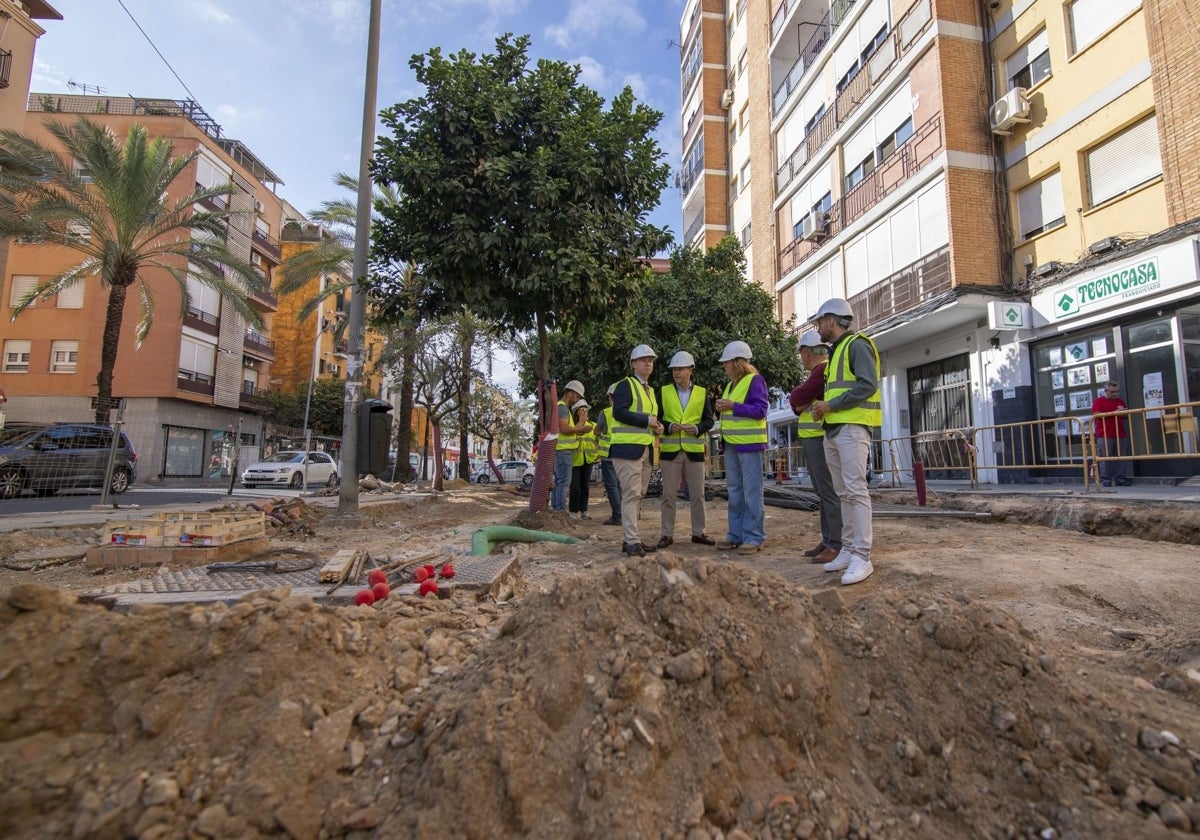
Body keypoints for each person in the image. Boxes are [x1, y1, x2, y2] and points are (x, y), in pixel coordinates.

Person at [809, 298, 882, 586]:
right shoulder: (837, 351)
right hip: (835, 428)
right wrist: (825, 408)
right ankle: (849, 549)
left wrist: (832, 405)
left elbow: (867, 384)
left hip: (852, 427)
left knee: (855, 490)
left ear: (831, 320)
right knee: (843, 492)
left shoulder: (857, 345)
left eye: (820, 322)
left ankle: (862, 556)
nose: (818, 327)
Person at [788, 330, 843, 564]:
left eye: (801, 352)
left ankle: (835, 543)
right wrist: (799, 402)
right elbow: (797, 403)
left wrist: (799, 402)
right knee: (823, 493)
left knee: (828, 492)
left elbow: (796, 398)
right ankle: (828, 538)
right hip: (815, 438)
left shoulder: (821, 370)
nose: (800, 357)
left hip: (818, 438)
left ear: (807, 352)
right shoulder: (820, 371)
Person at [656, 350, 716, 547]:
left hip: (694, 452)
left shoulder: (701, 393)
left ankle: (699, 532)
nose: (676, 373)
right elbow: (656, 418)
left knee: (698, 494)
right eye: (674, 369)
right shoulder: (663, 391)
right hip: (670, 452)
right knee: (669, 494)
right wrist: (669, 426)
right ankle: (667, 534)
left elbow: (709, 420)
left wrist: (698, 428)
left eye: (680, 369)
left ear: (690, 370)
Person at [714, 340, 769, 555]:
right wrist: (725, 407)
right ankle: (735, 534)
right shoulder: (731, 385)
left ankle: (754, 536)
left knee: (751, 492)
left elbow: (760, 410)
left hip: (750, 445)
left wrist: (732, 406)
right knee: (735, 491)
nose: (724, 366)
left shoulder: (755, 381)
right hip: (732, 445)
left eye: (726, 362)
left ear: (736, 362)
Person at [610, 344, 665, 556]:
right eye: (643, 360)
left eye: (650, 360)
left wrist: (657, 426)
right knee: (632, 494)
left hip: (645, 449)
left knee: (638, 494)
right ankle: (632, 541)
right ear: (633, 364)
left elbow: (649, 420)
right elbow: (619, 413)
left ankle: (631, 540)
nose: (648, 363)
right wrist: (647, 420)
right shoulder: (625, 385)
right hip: (626, 450)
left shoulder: (650, 391)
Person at [552, 380, 591, 511]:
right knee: (563, 483)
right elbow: (564, 429)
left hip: (563, 451)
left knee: (559, 482)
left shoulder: (562, 408)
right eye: (578, 396)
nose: (577, 400)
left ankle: (557, 509)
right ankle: (560, 510)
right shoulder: (562, 407)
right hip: (564, 451)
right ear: (571, 393)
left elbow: (569, 430)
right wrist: (581, 430)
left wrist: (580, 424)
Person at [1091, 381, 1130, 486]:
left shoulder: (1120, 401)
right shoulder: (1099, 401)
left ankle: (1120, 479)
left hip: (1120, 433)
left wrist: (1124, 412)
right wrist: (1114, 413)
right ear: (1106, 391)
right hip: (1104, 434)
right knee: (1105, 457)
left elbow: (1126, 416)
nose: (1115, 394)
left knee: (1121, 457)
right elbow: (1096, 414)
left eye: (1117, 392)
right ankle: (1105, 479)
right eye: (1112, 392)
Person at [595, 384, 623, 525]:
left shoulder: (605, 413)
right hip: (624, 454)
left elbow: (597, 431)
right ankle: (629, 514)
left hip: (608, 455)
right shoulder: (626, 412)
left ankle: (618, 515)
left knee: (612, 486)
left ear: (611, 397)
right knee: (622, 485)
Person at [569, 399, 598, 519]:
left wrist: (598, 453)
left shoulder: (593, 426)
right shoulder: (572, 427)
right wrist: (579, 425)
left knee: (585, 486)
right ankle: (573, 511)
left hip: (589, 459)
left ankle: (584, 510)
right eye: (582, 411)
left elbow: (598, 440)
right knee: (575, 487)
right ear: (576, 413)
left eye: (586, 411)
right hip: (575, 460)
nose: (585, 413)